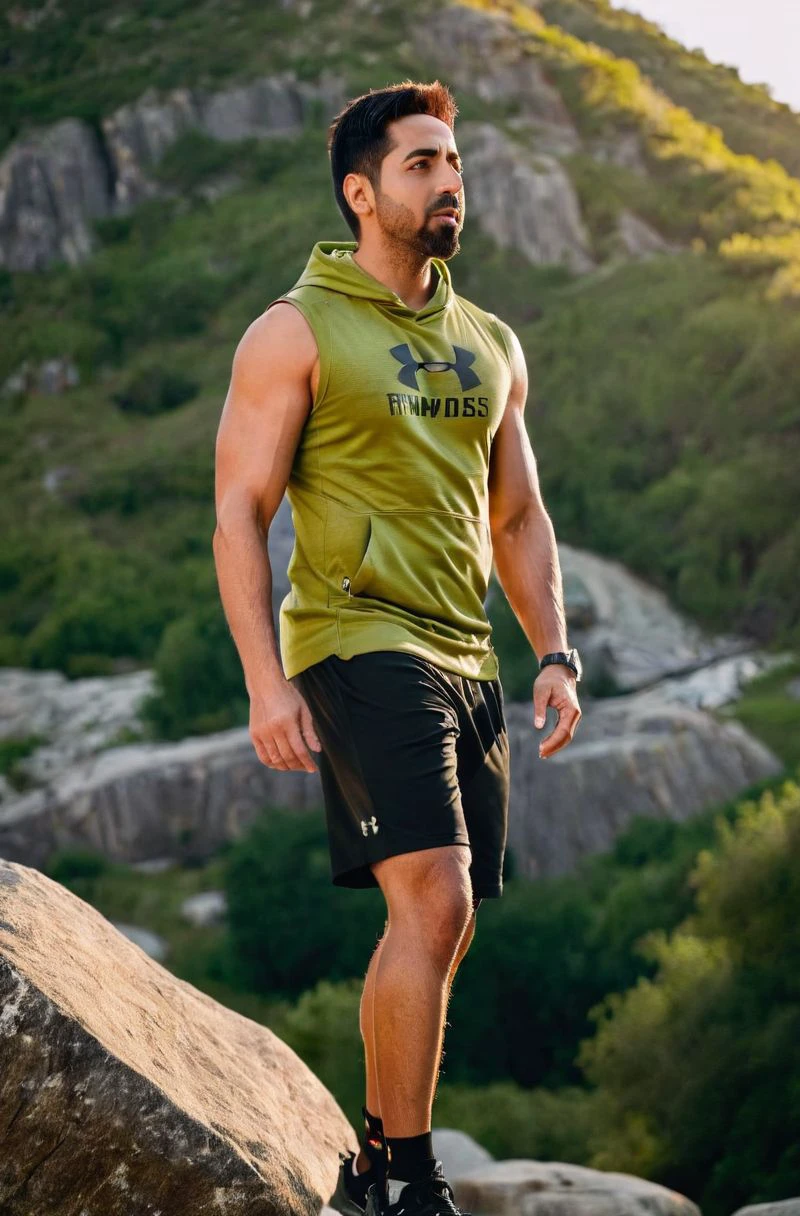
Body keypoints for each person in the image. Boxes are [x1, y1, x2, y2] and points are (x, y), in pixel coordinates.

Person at [213, 79, 582, 1216]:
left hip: (466, 653)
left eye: (453, 163)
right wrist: (265, 684)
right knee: (435, 896)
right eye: (422, 165)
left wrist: (553, 653)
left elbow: (515, 515)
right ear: (361, 193)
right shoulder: (295, 329)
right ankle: (411, 1182)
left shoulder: (490, 342)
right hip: (356, 635)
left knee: (443, 917)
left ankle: (378, 1159)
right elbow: (238, 509)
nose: (448, 182)